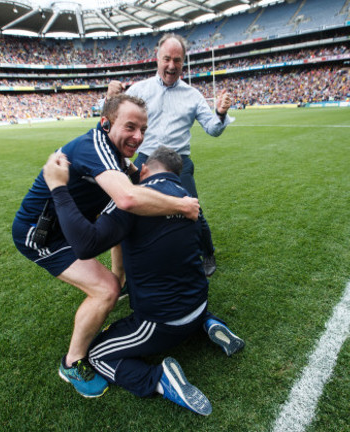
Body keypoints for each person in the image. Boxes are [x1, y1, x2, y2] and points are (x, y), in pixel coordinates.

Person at [12, 94, 200, 398]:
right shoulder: (95, 146)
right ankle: (71, 363)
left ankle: (120, 283)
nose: (138, 137)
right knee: (105, 290)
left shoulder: (115, 156)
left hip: (69, 226)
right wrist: (183, 204)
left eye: (143, 129)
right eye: (130, 127)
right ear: (105, 122)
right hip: (41, 236)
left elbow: (134, 189)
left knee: (114, 275)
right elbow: (127, 198)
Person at [42, 145, 245, 415]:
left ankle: (160, 380)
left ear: (145, 169)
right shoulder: (188, 199)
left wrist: (58, 188)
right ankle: (209, 323)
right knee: (179, 273)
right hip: (199, 302)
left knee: (96, 354)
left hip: (164, 322)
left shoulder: (134, 202)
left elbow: (85, 244)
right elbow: (203, 242)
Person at [107, 33, 233, 277]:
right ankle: (132, 264)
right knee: (129, 208)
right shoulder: (139, 90)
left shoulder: (193, 95)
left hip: (179, 163)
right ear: (157, 59)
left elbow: (213, 129)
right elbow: (114, 117)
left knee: (193, 210)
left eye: (177, 60)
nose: (171, 66)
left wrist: (219, 113)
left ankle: (207, 253)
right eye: (167, 59)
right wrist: (110, 97)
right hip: (145, 159)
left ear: (183, 62)